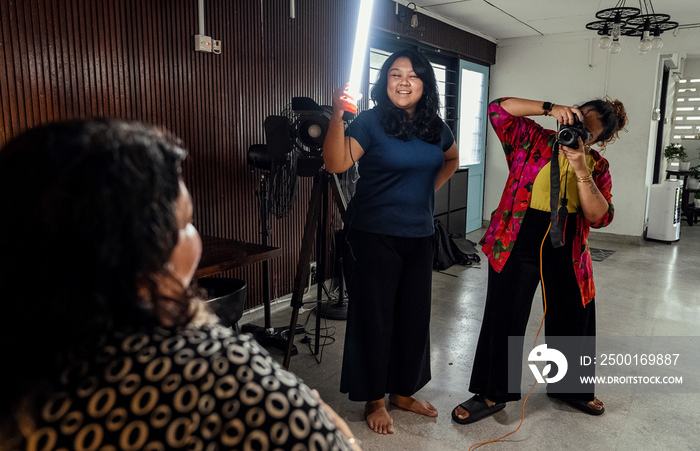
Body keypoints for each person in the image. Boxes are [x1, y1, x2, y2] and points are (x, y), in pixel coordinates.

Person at [0, 119, 360, 450]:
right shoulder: (225, 373)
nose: (195, 238)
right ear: (142, 248)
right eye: (188, 222)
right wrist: (335, 430)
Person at [452, 97, 628, 424]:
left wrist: (580, 167)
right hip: (519, 235)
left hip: (569, 243)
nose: (576, 134)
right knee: (504, 315)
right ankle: (492, 393)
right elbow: (497, 109)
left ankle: (571, 388)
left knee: (574, 315)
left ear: (597, 140)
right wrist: (548, 107)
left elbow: (600, 217)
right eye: (575, 123)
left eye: (586, 134)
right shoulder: (533, 139)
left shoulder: (597, 167)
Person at [324, 49, 459, 435]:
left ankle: (403, 392)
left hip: (419, 235)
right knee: (375, 319)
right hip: (373, 236)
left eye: (413, 75)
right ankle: (375, 398)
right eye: (395, 74)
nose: (404, 81)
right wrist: (336, 116)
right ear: (385, 82)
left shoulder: (437, 127)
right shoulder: (369, 121)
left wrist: (424, 193)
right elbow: (335, 164)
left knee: (414, 318)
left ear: (424, 84)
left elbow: (451, 159)